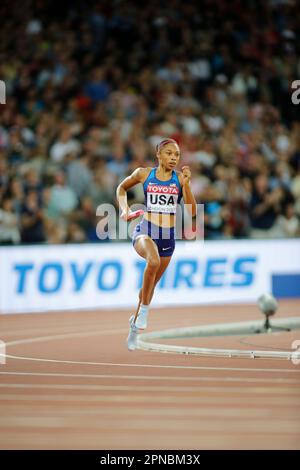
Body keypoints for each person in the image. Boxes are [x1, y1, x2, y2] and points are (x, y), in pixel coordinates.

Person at [116, 138, 197, 351]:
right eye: (169, 153)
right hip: (146, 231)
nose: (173, 158)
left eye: (177, 155)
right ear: (158, 154)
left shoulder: (180, 179)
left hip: (168, 237)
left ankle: (133, 328)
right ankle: (144, 311)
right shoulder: (144, 174)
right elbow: (122, 188)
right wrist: (124, 210)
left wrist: (187, 184)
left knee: (148, 287)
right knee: (152, 262)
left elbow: (193, 211)